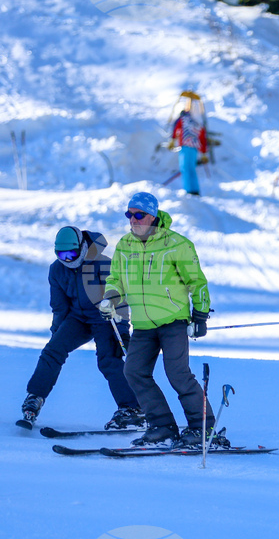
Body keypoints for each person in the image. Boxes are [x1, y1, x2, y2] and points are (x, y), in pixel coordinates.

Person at [100, 192, 220, 448]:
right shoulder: (124, 245)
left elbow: (196, 282)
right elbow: (116, 280)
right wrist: (110, 298)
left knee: (178, 374)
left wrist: (200, 315)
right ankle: (162, 426)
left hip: (173, 320)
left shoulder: (177, 244)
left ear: (153, 216)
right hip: (142, 324)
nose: (133, 219)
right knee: (134, 372)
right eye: (129, 214)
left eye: (139, 214)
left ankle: (203, 429)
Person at [18, 227, 143, 430]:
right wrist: (57, 333)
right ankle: (35, 398)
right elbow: (59, 306)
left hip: (104, 318)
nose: (67, 259)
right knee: (52, 351)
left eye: (71, 254)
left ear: (82, 247)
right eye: (61, 255)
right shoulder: (56, 269)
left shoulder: (103, 264)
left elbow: (119, 300)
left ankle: (131, 409)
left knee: (108, 359)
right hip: (77, 318)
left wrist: (122, 331)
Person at [171, 98, 208, 196]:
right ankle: (194, 189)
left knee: (185, 168)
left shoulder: (184, 119)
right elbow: (202, 139)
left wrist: (173, 139)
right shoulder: (199, 122)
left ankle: (189, 190)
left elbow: (176, 128)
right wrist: (203, 152)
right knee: (191, 168)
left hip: (185, 147)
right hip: (194, 148)